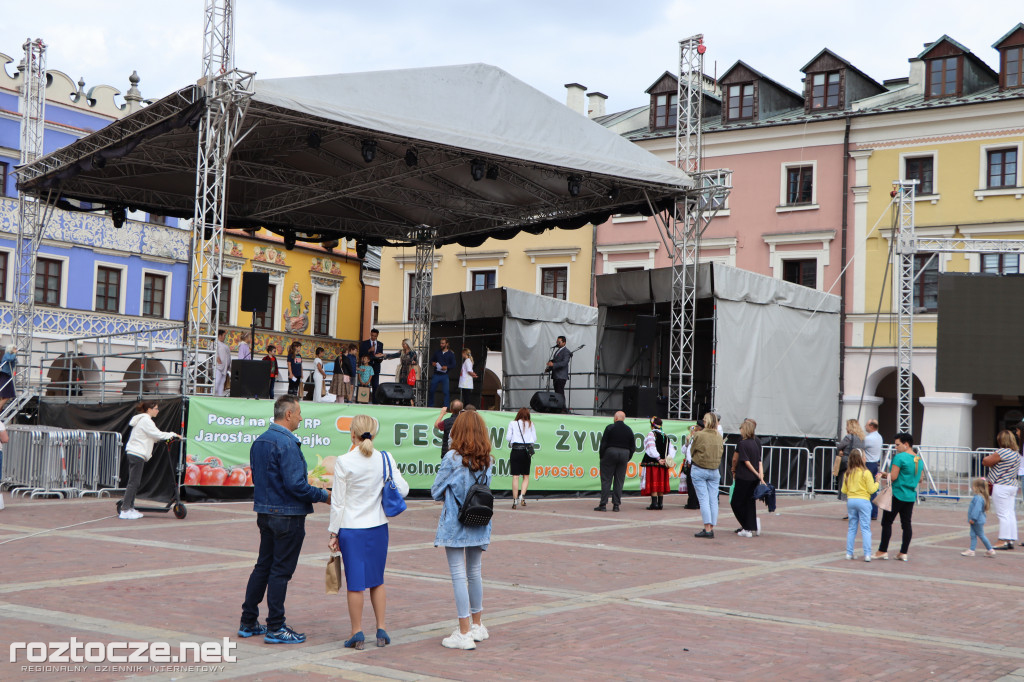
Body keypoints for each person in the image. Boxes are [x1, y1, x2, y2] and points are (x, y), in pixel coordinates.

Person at [239, 395, 330, 644]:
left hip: (266, 512)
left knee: (263, 566)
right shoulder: (287, 444)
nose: (301, 417)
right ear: (288, 414)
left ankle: (248, 621)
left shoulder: (260, 441)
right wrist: (324, 495)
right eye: (299, 412)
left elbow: (261, 478)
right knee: (280, 571)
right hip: (287, 515)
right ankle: (276, 626)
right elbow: (296, 485)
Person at [328, 414, 410, 649]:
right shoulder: (385, 458)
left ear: (352, 434)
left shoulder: (344, 461)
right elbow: (403, 489)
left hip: (351, 529)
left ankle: (357, 633)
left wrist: (333, 534)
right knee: (377, 581)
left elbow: (338, 503)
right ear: (374, 434)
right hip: (378, 527)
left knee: (355, 583)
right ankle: (381, 629)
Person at [431, 410, 493, 650]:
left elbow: (436, 491)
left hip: (456, 522)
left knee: (458, 575)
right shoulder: (488, 459)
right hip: (479, 519)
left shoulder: (452, 458)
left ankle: (464, 632)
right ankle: (477, 625)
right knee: (474, 572)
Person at [119, 401, 182, 520]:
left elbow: (152, 437)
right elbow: (156, 434)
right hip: (136, 453)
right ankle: (125, 510)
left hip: (136, 453)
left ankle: (130, 508)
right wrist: (173, 435)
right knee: (134, 482)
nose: (158, 411)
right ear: (149, 409)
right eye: (156, 409)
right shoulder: (146, 420)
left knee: (135, 482)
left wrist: (167, 438)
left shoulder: (144, 420)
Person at [873, 432, 921, 561]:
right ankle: (903, 552)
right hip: (910, 495)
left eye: (897, 444)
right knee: (906, 524)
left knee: (887, 522)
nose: (896, 447)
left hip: (898, 493)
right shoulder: (918, 459)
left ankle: (882, 550)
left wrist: (883, 474)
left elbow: (893, 477)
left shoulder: (899, 458)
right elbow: (920, 479)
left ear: (906, 444)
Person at [983, 429, 1020, 551]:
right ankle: (1010, 538)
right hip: (1012, 485)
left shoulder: (1002, 452)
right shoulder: (1016, 454)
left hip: (1001, 485)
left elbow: (986, 461)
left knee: (1002, 513)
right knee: (1010, 513)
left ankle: (1002, 540)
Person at [690, 412, 725, 538]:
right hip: (714, 469)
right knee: (713, 500)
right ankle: (711, 527)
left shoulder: (699, 435)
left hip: (699, 468)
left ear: (706, 422)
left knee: (704, 499)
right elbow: (721, 452)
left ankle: (707, 528)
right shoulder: (718, 436)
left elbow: (692, 450)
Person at [842, 449, 878, 561]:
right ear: (862, 459)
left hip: (851, 500)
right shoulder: (866, 473)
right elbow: (872, 490)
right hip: (863, 501)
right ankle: (867, 554)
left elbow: (844, 490)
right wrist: (877, 481)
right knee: (865, 528)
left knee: (852, 528)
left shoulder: (847, 473)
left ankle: (849, 553)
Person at [731, 418, 764, 536]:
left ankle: (747, 526)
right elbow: (759, 461)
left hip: (744, 476)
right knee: (749, 502)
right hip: (753, 478)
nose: (740, 429)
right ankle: (750, 525)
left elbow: (743, 460)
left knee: (736, 502)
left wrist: (733, 469)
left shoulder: (743, 442)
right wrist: (760, 475)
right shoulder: (757, 442)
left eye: (741, 427)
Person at [595, 411, 634, 512]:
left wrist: (602, 456)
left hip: (610, 452)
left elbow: (603, 443)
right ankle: (616, 505)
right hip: (624, 454)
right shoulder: (629, 430)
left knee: (606, 479)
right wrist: (628, 457)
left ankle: (603, 504)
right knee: (619, 480)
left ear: (616, 418)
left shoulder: (610, 428)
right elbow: (633, 447)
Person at [641, 417, 673, 511]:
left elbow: (651, 447)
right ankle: (660, 503)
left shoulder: (652, 434)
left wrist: (658, 458)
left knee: (654, 481)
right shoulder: (666, 436)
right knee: (660, 482)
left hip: (654, 461)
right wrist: (666, 459)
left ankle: (654, 503)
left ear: (652, 425)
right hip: (663, 463)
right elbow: (671, 450)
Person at [506, 407, 536, 509]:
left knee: (515, 476)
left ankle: (515, 500)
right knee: (526, 476)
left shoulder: (512, 423)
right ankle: (522, 496)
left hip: (515, 450)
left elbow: (508, 438)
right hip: (526, 452)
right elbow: (534, 439)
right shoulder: (531, 424)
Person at [961, 477, 996, 557]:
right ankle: (971, 550)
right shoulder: (981, 497)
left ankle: (990, 549)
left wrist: (973, 518)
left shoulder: (978, 498)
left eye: (973, 486)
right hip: (978, 520)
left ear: (978, 487)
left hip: (976, 520)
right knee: (973, 534)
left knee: (981, 535)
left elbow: (976, 510)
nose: (972, 488)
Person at [835, 419, 866, 506]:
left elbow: (839, 446)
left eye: (847, 425)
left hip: (847, 462)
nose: (846, 427)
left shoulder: (848, 437)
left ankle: (850, 509)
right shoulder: (861, 438)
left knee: (845, 484)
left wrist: (841, 450)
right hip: (858, 463)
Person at [863, 419, 883, 520]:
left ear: (871, 426)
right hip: (875, 463)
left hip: (869, 464)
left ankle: (869, 512)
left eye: (866, 425)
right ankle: (873, 513)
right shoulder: (879, 436)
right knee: (873, 489)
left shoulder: (869, 438)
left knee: (868, 489)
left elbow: (859, 446)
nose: (865, 427)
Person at [359, 329, 385, 404]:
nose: (373, 337)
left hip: (376, 366)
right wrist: (369, 350)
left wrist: (381, 358)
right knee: (365, 383)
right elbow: (361, 355)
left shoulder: (380, 344)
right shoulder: (364, 343)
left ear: (377, 336)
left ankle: (375, 402)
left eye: (375, 336)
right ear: (370, 334)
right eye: (372, 335)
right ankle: (363, 400)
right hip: (367, 367)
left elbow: (381, 354)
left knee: (375, 385)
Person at [428, 337, 456, 408]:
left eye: (443, 343)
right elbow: (431, 361)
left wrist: (447, 367)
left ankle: (446, 406)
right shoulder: (437, 352)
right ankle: (430, 405)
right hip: (436, 374)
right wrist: (433, 363)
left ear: (447, 344)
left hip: (444, 375)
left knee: (446, 392)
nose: (441, 345)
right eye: (440, 343)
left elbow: (454, 364)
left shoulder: (450, 354)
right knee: (431, 390)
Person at [681, 423, 702, 510]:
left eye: (695, 428)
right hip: (691, 463)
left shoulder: (699, 439)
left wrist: (690, 462)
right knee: (691, 484)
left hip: (694, 463)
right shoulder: (692, 439)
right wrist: (687, 442)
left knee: (693, 484)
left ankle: (693, 503)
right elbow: (684, 451)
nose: (693, 431)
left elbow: (691, 453)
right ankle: (693, 502)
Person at [546, 336, 570, 404]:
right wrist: (549, 368)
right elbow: (555, 361)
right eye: (557, 342)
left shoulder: (566, 351)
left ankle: (563, 409)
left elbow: (564, 363)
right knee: (557, 393)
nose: (557, 343)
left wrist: (553, 364)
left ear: (564, 343)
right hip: (556, 376)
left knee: (560, 393)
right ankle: (559, 408)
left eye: (559, 342)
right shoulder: (558, 350)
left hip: (561, 376)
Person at [0, 344, 17, 411]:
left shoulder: (11, 355)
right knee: (7, 394)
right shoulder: (7, 354)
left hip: (7, 375)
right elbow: (9, 359)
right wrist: (14, 354)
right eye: (14, 349)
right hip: (5, 375)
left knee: (6, 395)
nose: (16, 350)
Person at [215, 329, 231, 396]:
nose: (225, 337)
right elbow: (214, 353)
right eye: (224, 335)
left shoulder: (224, 345)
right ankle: (212, 394)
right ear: (219, 336)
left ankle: (220, 395)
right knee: (217, 381)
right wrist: (217, 359)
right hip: (218, 367)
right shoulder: (216, 343)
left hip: (225, 367)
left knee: (222, 382)